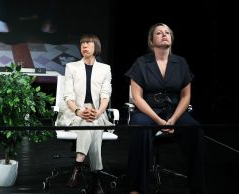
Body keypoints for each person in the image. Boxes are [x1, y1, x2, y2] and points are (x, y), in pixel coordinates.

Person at [125, 23, 205, 194]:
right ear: (151, 41)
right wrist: (158, 121)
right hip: (148, 111)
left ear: (171, 38)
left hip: (174, 112)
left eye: (167, 32)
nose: (164, 35)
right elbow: (137, 97)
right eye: (159, 33)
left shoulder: (181, 63)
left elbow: (186, 96)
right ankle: (136, 187)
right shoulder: (141, 62)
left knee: (195, 130)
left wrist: (174, 119)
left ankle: (197, 187)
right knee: (142, 128)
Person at [57, 34, 112, 194]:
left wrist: (99, 112)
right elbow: (68, 96)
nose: (84, 46)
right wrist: (79, 111)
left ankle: (77, 167)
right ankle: (96, 177)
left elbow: (105, 95)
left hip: (96, 112)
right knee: (91, 125)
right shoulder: (71, 67)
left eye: (88, 43)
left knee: (92, 123)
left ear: (96, 47)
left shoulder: (105, 68)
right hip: (74, 111)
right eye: (82, 44)